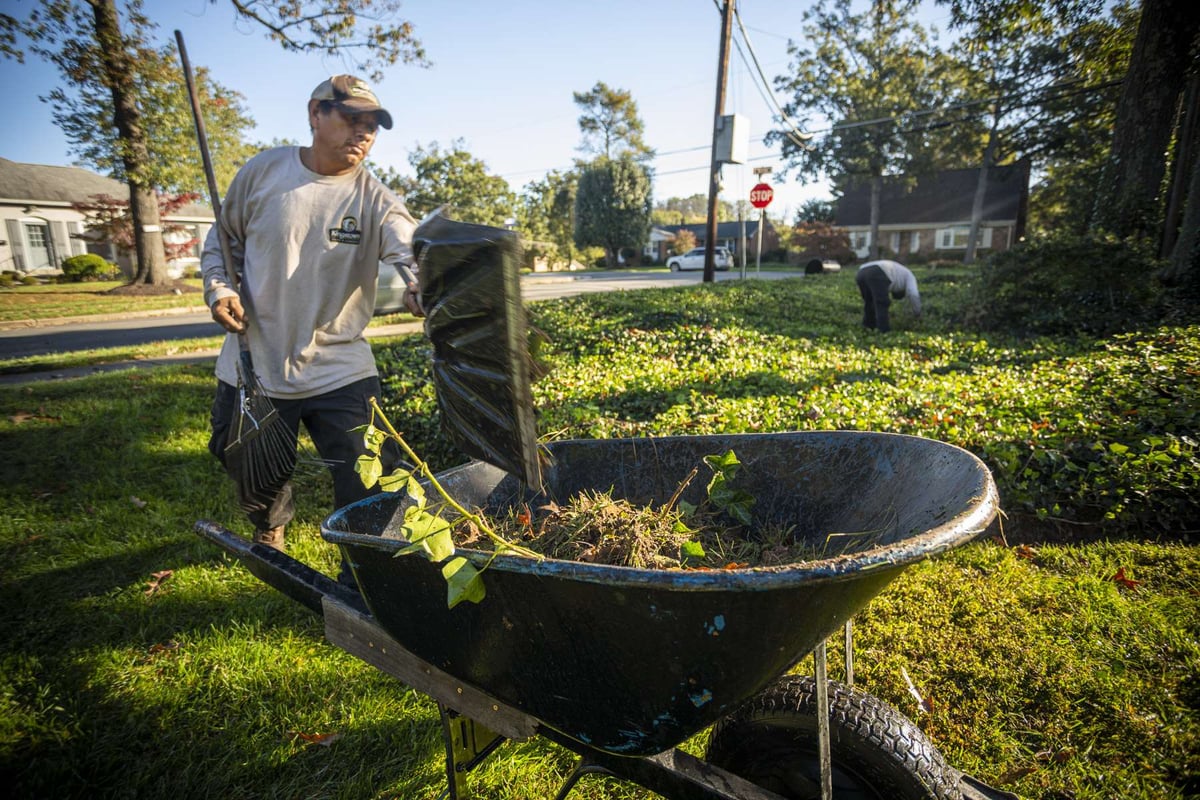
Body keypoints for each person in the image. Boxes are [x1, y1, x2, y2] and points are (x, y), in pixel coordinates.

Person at [201, 74, 421, 583]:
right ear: (315, 114)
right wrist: (219, 288)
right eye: (351, 120)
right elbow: (222, 240)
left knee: (370, 475)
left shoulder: (375, 197)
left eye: (372, 126)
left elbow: (409, 247)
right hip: (254, 359)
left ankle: (362, 569)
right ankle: (269, 523)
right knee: (244, 458)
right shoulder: (264, 172)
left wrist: (421, 282)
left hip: (338, 363)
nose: (363, 135)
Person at [855, 259, 921, 333]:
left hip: (861, 272)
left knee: (869, 302)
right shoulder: (910, 276)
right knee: (882, 303)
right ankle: (884, 331)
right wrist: (917, 312)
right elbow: (913, 294)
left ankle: (868, 327)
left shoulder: (898, 274)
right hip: (877, 271)